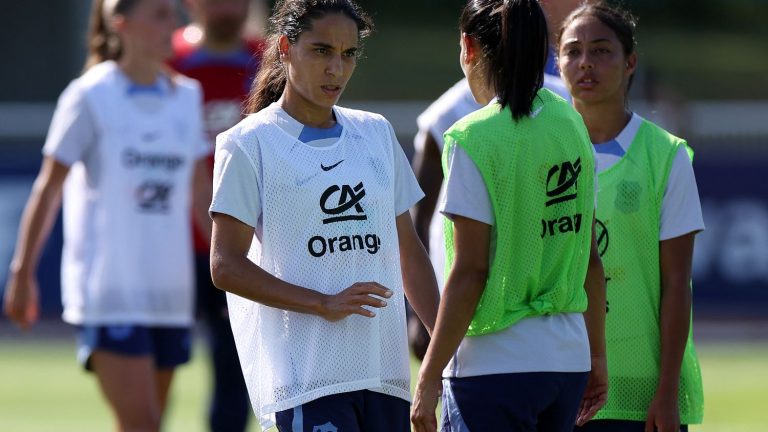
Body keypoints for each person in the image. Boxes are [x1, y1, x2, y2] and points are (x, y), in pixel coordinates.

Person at [207, 0, 440, 430]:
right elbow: (226, 266)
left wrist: (446, 354)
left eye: (348, 53)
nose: (337, 68)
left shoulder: (375, 133)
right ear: (284, 48)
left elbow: (408, 250)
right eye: (321, 51)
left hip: (384, 376)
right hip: (307, 381)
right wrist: (322, 303)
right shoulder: (248, 144)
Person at [2, 0, 211, 430]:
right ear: (122, 25)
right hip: (110, 293)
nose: (171, 25)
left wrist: (234, 270)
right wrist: (22, 273)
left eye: (172, 14)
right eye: (158, 15)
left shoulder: (187, 97)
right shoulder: (90, 95)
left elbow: (200, 195)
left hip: (171, 295)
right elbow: (49, 186)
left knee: (146, 424)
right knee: (143, 424)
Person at [410, 0, 608, 431]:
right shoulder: (572, 124)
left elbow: (470, 273)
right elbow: (591, 260)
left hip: (492, 366)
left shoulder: (472, 136)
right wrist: (596, 356)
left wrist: (428, 375)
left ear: (468, 46)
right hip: (567, 362)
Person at [556, 3, 705, 431]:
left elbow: (677, 284)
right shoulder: (539, 150)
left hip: (642, 390)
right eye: (573, 51)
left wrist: (667, 391)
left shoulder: (666, 155)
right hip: (558, 379)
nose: (585, 63)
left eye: (602, 50)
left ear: (630, 62)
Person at [168, 1, 263, 430]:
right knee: (154, 364)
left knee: (234, 368)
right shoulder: (167, 61)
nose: (231, 7)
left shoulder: (268, 59)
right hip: (170, 247)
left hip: (239, 246)